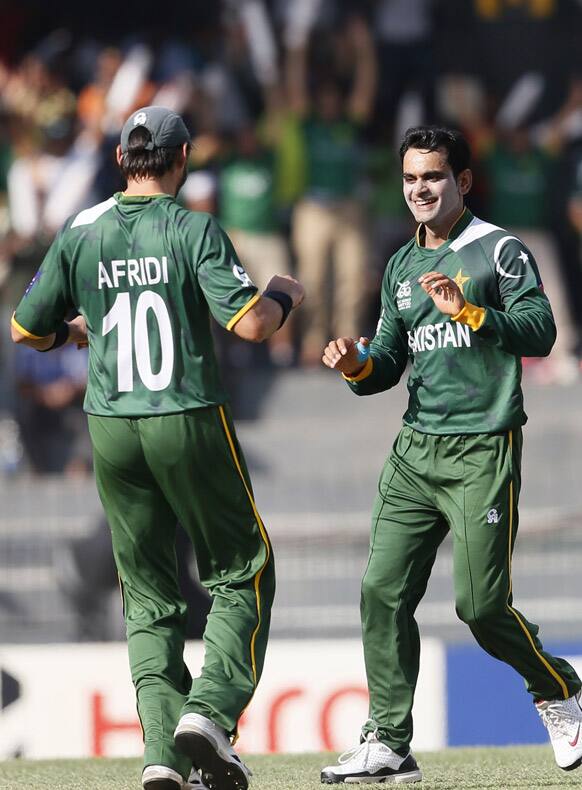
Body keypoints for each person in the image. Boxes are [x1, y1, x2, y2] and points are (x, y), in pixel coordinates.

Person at [10, 105, 305, 790]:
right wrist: (285, 294)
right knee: (243, 570)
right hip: (186, 413)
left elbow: (27, 330)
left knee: (146, 598)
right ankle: (210, 710)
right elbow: (254, 324)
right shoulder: (192, 226)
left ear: (120, 160)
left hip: (111, 425)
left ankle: (160, 759)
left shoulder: (80, 230)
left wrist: (75, 332)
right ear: (181, 161)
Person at [320, 126, 582, 784]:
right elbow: (386, 365)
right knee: (381, 591)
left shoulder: (499, 250)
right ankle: (388, 741)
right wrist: (357, 365)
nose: (419, 190)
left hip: (482, 450)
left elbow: (542, 333)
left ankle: (562, 690)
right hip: (415, 452)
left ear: (462, 181)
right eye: (410, 179)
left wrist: (470, 312)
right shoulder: (400, 266)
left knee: (480, 607)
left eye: (433, 177)